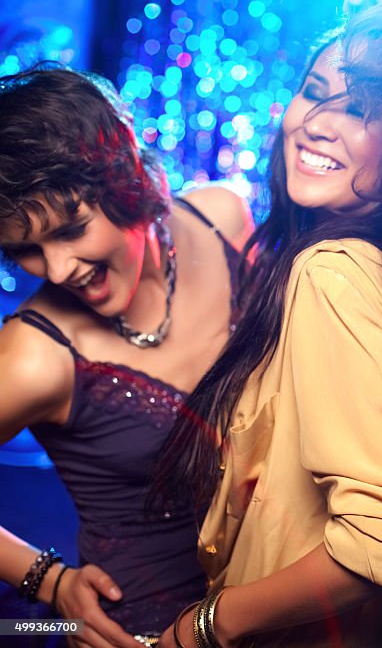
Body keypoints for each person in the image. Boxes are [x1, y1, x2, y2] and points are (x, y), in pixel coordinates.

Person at [155, 6, 382, 648]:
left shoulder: (334, 271)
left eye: (359, 112)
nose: (317, 124)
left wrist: (204, 627)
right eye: (314, 94)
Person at [0, 66, 252, 645]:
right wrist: (49, 582)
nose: (58, 269)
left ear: (127, 176)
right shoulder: (34, 356)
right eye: (26, 250)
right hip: (138, 633)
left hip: (286, 616)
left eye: (71, 229)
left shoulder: (223, 219)